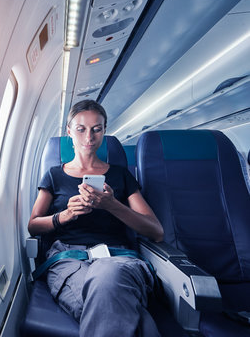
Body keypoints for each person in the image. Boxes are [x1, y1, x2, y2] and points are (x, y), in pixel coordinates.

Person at [28, 100, 164, 337]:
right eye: (81, 129)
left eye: (96, 129)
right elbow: (33, 225)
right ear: (69, 132)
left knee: (106, 279)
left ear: (104, 130)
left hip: (118, 258)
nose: (89, 136)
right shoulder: (54, 175)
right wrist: (65, 216)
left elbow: (155, 231)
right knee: (123, 308)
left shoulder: (121, 175)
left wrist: (112, 205)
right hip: (68, 259)